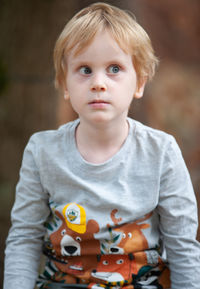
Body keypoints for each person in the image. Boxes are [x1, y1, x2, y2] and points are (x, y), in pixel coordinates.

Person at [4, 2, 200, 289]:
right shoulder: (42, 152)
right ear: (65, 84)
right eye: (84, 69)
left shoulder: (161, 152)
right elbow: (24, 239)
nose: (98, 82)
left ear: (139, 83)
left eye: (114, 69)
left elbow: (183, 246)